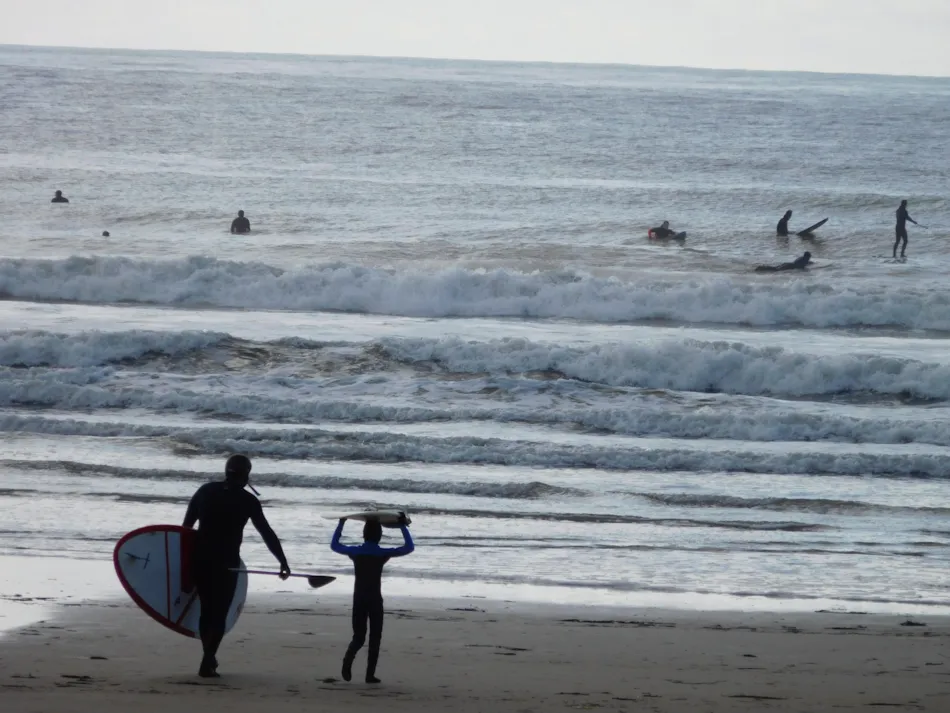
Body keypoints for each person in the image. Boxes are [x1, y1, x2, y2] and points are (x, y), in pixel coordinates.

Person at [182, 454, 290, 678]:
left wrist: (184, 562)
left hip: (201, 559)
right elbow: (266, 532)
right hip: (227, 563)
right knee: (220, 613)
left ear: (226, 471)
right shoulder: (248, 500)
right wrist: (282, 560)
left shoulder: (205, 491)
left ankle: (208, 656)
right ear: (246, 475)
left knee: (206, 610)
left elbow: (186, 528)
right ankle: (208, 658)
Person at [331, 515, 414, 684]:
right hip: (375, 599)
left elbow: (335, 545)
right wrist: (402, 526)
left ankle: (348, 660)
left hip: (359, 598)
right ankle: (370, 675)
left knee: (358, 637)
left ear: (364, 535)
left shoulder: (355, 552)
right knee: (375, 637)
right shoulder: (382, 553)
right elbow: (409, 548)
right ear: (379, 536)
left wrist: (341, 523)